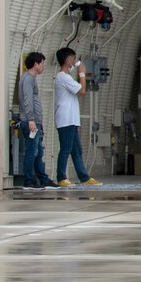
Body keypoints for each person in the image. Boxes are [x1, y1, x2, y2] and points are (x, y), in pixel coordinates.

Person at [53, 47, 99, 185]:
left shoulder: (65, 77)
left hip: (71, 119)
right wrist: (82, 74)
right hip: (65, 119)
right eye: (73, 59)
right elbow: (82, 90)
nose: (75, 61)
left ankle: (84, 177)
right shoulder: (63, 77)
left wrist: (78, 68)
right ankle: (61, 177)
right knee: (66, 149)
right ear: (67, 60)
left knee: (76, 150)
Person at [16, 51, 48, 188]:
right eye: (42, 63)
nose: (43, 66)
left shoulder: (31, 78)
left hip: (35, 121)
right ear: (36, 64)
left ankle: (42, 178)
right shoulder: (28, 78)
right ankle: (29, 180)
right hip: (31, 121)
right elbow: (27, 100)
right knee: (32, 151)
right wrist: (31, 119)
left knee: (38, 151)